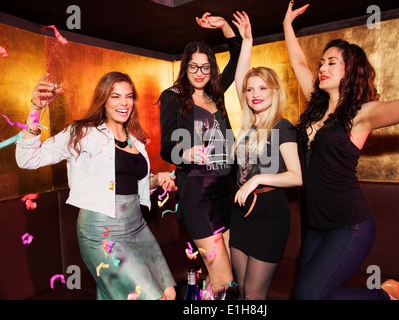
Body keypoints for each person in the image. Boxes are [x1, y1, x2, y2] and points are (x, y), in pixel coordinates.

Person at [284, 1, 399, 300]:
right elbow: (297, 62)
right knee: (310, 296)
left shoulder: (362, 114)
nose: (322, 67)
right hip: (317, 227)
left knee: (308, 297)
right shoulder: (316, 107)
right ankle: (385, 295)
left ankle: (385, 298)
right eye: (321, 62)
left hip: (351, 225)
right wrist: (287, 25)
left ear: (350, 69)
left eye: (331, 62)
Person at [16, 72, 177, 300]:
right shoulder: (82, 133)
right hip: (102, 232)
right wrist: (36, 109)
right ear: (103, 99)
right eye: (115, 96)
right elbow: (28, 159)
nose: (124, 103)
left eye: (129, 96)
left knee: (169, 293)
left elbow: (134, 183)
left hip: (137, 228)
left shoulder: (135, 138)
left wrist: (157, 178)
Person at [158, 12, 241, 287]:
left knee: (225, 281)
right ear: (185, 68)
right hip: (196, 196)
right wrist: (185, 153)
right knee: (225, 278)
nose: (200, 73)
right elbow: (166, 147)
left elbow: (238, 56)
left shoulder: (215, 93)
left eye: (205, 67)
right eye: (193, 67)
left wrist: (225, 27)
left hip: (225, 194)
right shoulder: (172, 98)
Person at [230, 12, 302, 300]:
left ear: (274, 91)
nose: (254, 94)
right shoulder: (249, 123)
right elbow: (240, 76)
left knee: (254, 295)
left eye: (262, 88)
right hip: (240, 213)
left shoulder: (282, 127)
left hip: (270, 215)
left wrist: (258, 178)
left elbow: (297, 176)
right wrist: (247, 40)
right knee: (241, 289)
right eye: (250, 90)